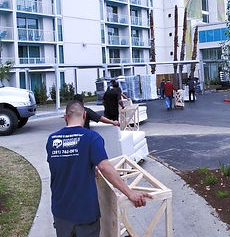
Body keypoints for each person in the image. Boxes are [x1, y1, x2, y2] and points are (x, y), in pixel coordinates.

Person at [46, 100, 152, 237]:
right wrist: (129, 192)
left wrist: (88, 165)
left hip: (60, 211)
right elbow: (105, 167)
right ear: (84, 116)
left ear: (65, 117)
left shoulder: (52, 140)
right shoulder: (91, 138)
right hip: (85, 212)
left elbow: (63, 165)